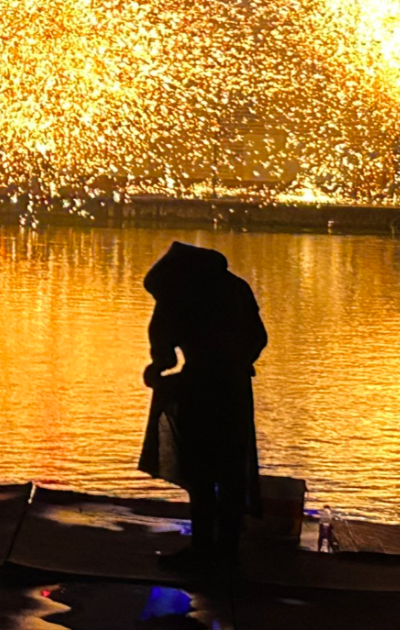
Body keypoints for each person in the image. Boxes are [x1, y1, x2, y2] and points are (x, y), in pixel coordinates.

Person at [139, 241, 267, 567]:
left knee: (200, 471)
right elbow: (258, 338)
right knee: (230, 470)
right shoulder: (235, 287)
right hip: (235, 387)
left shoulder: (178, 292)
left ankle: (202, 550)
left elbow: (163, 351)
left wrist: (156, 371)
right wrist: (237, 360)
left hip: (198, 388)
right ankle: (227, 551)